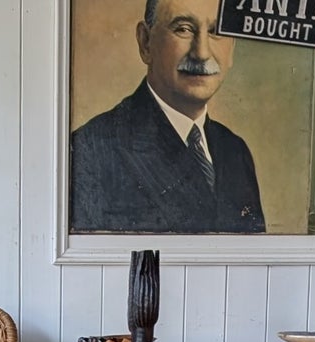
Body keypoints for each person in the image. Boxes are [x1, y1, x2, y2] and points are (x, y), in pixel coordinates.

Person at [70, 0, 265, 234]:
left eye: (216, 32)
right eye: (183, 29)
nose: (202, 53)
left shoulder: (235, 151)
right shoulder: (89, 151)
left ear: (231, 48)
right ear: (146, 42)